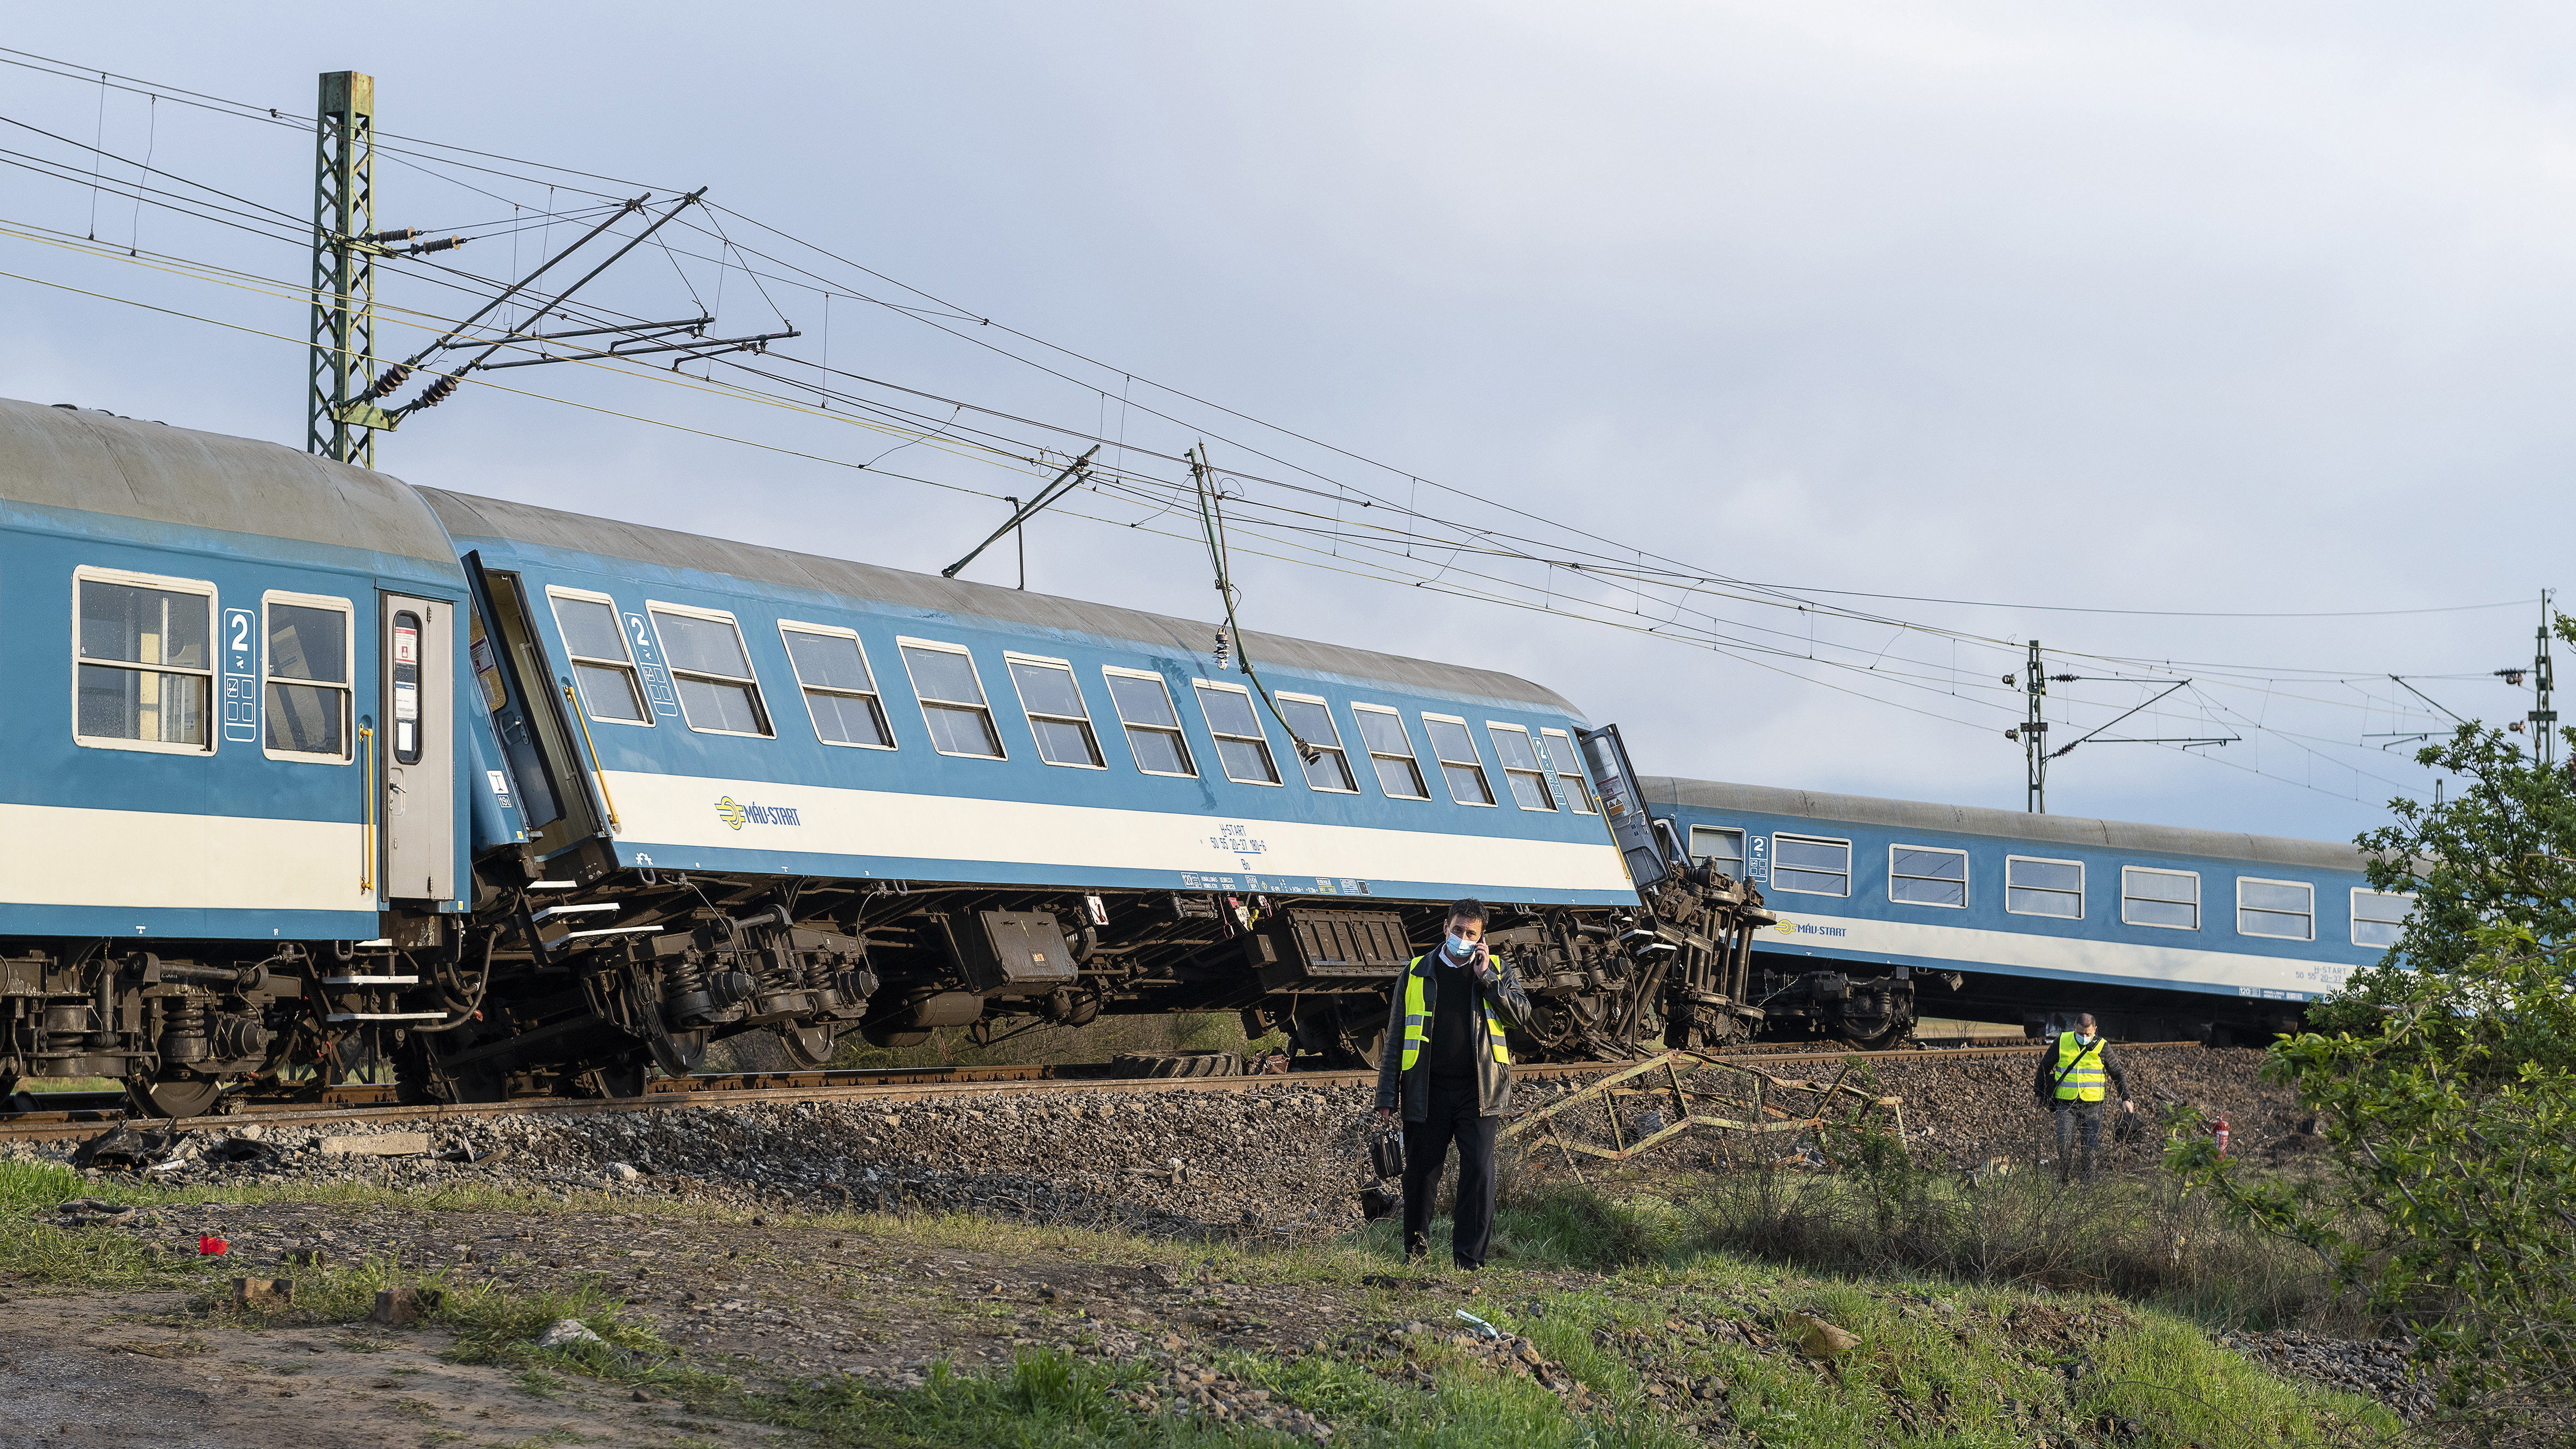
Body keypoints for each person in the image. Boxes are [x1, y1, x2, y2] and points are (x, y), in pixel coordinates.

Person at [1373, 898, 1531, 1271]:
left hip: (1480, 1090)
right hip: (1426, 1090)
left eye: (1470, 933)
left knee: (1478, 1172)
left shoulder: (1496, 969)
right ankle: (1416, 1253)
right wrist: (1385, 1095)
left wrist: (1486, 978)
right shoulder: (1415, 972)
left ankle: (1468, 1258)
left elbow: (1521, 1015)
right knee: (1420, 1175)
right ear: (1445, 927)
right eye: (1457, 929)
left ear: (1481, 938)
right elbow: (1395, 1037)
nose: (1462, 937)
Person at [2032, 1012, 2135, 1183]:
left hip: (2093, 1105)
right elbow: (2045, 1066)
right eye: (2081, 1034)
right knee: (2063, 1145)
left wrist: (2126, 1098)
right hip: (2066, 1104)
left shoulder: (2102, 1046)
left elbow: (2117, 1073)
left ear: (2095, 1030)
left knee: (2090, 1151)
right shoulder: (2063, 1041)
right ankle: (2063, 1181)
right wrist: (2038, 1092)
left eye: (2088, 1034)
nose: (2085, 1037)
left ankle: (2088, 1186)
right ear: (2074, 1028)